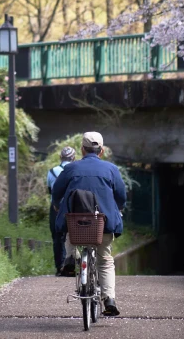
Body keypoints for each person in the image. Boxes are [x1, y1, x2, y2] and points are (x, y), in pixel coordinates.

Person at [51, 131, 126, 317]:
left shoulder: (71, 168)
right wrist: (119, 208)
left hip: (77, 223)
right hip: (103, 223)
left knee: (69, 229)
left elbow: (56, 193)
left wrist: (56, 206)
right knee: (105, 261)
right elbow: (122, 196)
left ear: (82, 150)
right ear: (101, 151)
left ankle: (70, 257)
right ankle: (109, 299)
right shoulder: (111, 169)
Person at [47, 145, 76, 274]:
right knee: (74, 235)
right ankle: (71, 265)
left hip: (56, 207)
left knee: (57, 237)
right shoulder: (76, 170)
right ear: (74, 158)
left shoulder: (52, 171)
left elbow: (49, 190)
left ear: (60, 157)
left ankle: (59, 267)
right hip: (73, 207)